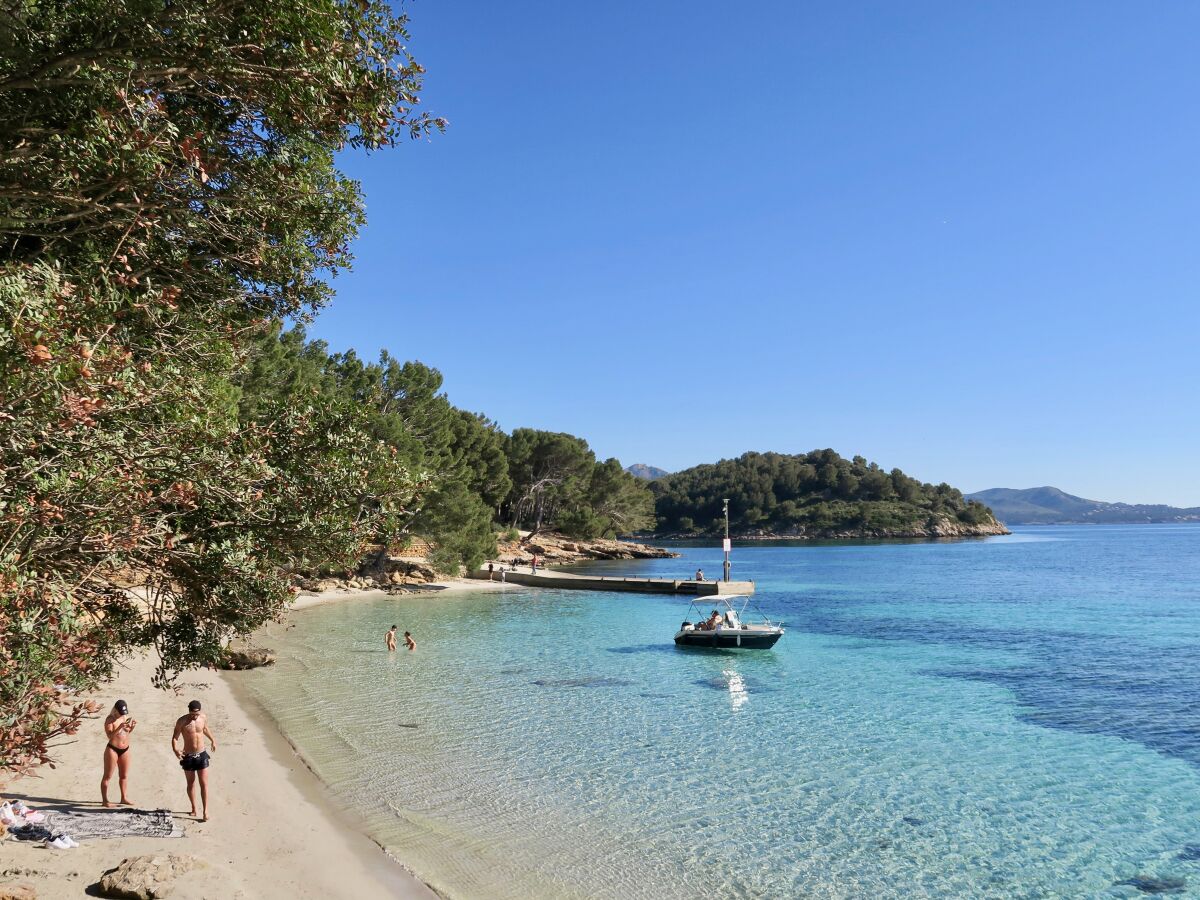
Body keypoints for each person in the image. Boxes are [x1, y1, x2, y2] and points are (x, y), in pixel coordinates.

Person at [172, 700, 217, 822]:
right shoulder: (182, 721)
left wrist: (213, 740)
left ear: (200, 711)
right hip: (188, 756)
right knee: (191, 783)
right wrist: (175, 749)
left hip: (202, 754)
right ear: (189, 711)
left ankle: (205, 810)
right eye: (192, 714)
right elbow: (175, 736)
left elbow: (205, 729)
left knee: (204, 784)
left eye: (196, 714)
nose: (194, 716)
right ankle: (193, 807)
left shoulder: (202, 718)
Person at [101, 700, 136, 807]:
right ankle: (105, 800)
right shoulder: (110, 720)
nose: (122, 715)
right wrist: (119, 727)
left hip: (125, 749)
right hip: (112, 749)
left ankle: (123, 798)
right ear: (115, 710)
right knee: (107, 776)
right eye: (120, 712)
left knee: (124, 775)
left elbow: (126, 732)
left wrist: (132, 727)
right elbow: (110, 736)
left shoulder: (124, 717)